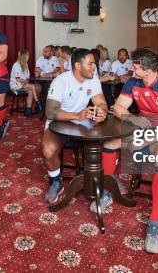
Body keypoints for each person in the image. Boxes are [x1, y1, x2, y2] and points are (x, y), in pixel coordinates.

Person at [101, 48, 158, 254]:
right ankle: (109, 189)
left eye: (135, 66)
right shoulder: (132, 82)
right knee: (109, 143)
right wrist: (132, 117)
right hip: (140, 128)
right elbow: (119, 108)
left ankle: (155, 223)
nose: (132, 68)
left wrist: (143, 140)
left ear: (147, 70)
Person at [41, 48, 108, 203]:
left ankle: (98, 181)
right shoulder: (61, 81)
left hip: (83, 122)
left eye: (94, 64)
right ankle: (56, 182)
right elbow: (51, 112)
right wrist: (77, 115)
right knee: (48, 150)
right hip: (60, 122)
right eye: (91, 63)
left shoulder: (93, 80)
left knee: (104, 144)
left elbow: (101, 102)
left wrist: (102, 111)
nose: (94, 67)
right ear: (78, 65)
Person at [10, 50, 42, 117]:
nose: (28, 57)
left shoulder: (26, 65)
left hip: (22, 84)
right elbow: (18, 79)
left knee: (30, 91)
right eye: (27, 56)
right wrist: (25, 82)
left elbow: (28, 77)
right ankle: (37, 103)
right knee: (33, 86)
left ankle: (29, 110)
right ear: (23, 57)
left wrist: (26, 81)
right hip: (15, 84)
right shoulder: (16, 65)